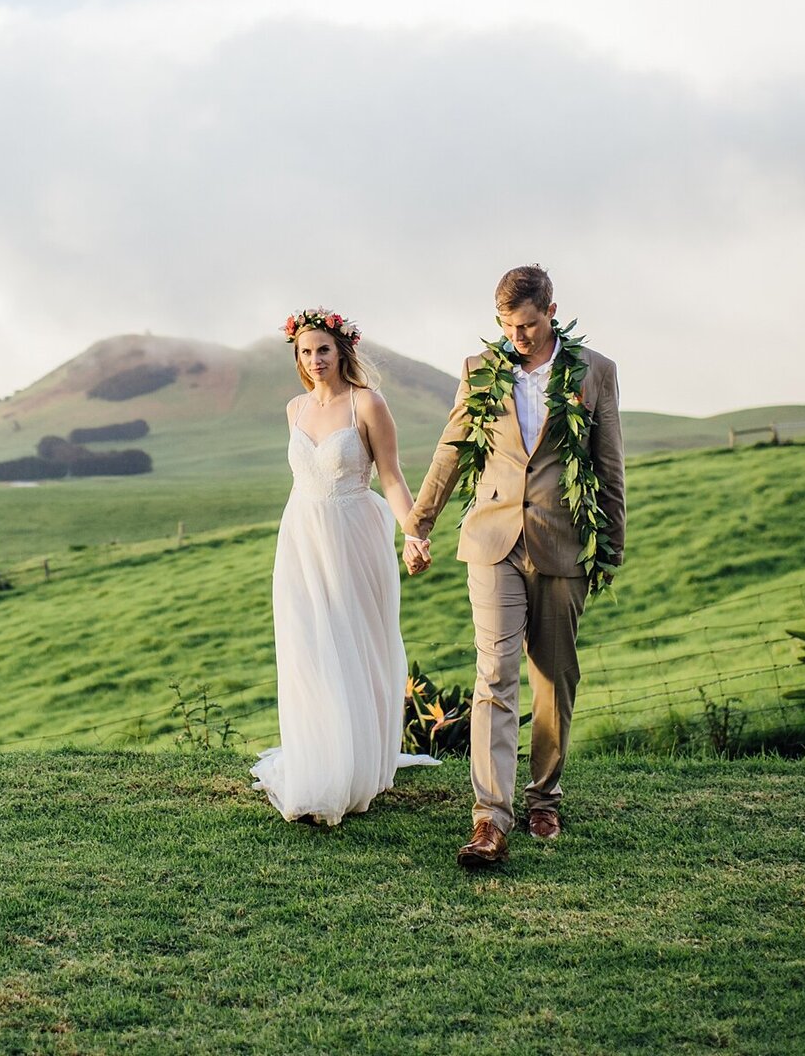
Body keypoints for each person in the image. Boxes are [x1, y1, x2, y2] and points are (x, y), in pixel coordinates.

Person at [403, 265, 625, 867]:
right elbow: (451, 451)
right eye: (506, 325)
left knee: (554, 676)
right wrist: (418, 525)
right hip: (492, 540)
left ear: (552, 311)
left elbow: (608, 466)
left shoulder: (594, 372)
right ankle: (489, 820)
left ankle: (544, 797)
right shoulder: (480, 371)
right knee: (495, 671)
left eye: (526, 325)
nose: (517, 336)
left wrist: (612, 546)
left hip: (563, 543)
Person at [251, 307, 436, 825]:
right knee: (308, 646)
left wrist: (413, 532)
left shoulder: (367, 404)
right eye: (306, 352)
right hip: (301, 539)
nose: (315, 361)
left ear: (342, 351)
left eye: (323, 350)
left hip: (353, 535)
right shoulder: (294, 409)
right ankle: (318, 763)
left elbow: (394, 478)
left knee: (355, 643)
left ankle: (356, 767)